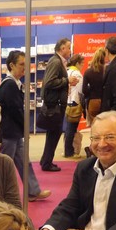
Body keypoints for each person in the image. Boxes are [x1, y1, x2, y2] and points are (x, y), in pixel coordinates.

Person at [0, 50, 50, 201]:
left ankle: (33, 191)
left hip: (14, 133)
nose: (24, 68)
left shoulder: (13, 84)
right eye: (21, 65)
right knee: (4, 167)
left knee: (25, 163)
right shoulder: (9, 85)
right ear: (11, 65)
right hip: (8, 134)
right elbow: (16, 111)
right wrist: (26, 128)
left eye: (26, 65)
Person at [39, 37, 79, 172]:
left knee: (53, 134)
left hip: (55, 104)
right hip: (54, 105)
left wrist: (66, 83)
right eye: (69, 47)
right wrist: (67, 80)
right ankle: (46, 163)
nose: (70, 50)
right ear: (62, 48)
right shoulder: (56, 62)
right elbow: (49, 82)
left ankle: (45, 160)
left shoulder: (56, 61)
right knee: (54, 134)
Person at [63, 53, 84, 158]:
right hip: (75, 102)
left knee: (68, 128)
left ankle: (67, 150)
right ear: (77, 63)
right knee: (72, 129)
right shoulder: (77, 74)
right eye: (82, 63)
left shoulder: (66, 71)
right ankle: (69, 151)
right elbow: (80, 90)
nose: (83, 66)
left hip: (67, 102)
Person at [83, 47, 106, 126]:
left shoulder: (88, 72)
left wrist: (91, 92)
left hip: (93, 101)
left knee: (94, 125)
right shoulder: (107, 70)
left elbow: (84, 90)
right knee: (105, 125)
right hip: (105, 101)